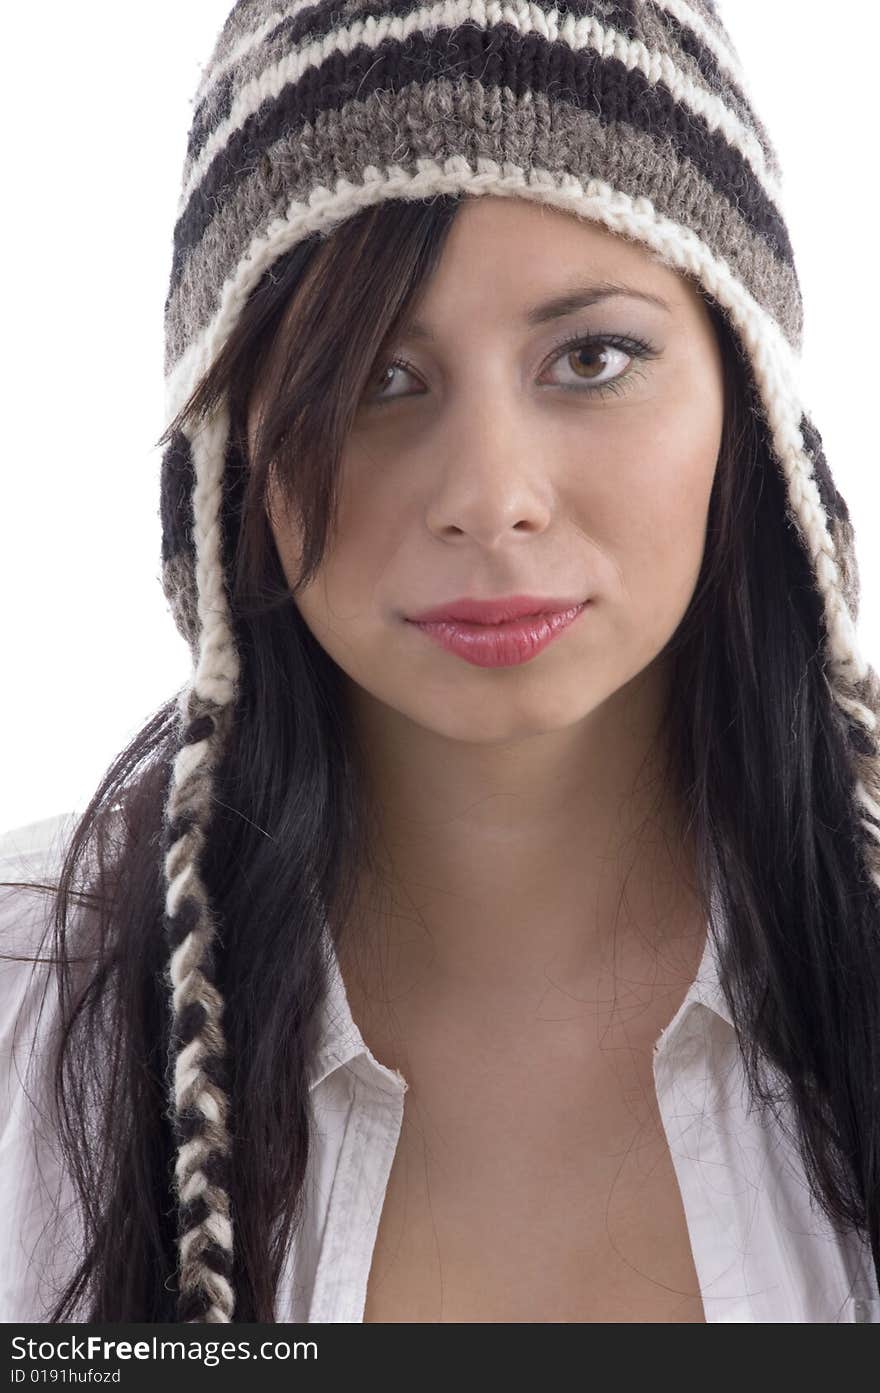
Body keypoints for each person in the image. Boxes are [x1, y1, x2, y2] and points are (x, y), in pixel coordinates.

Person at [2, 0, 880, 1325]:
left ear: (745, 399)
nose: (492, 496)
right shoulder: (27, 1009)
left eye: (592, 358)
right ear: (237, 449)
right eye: (378, 380)